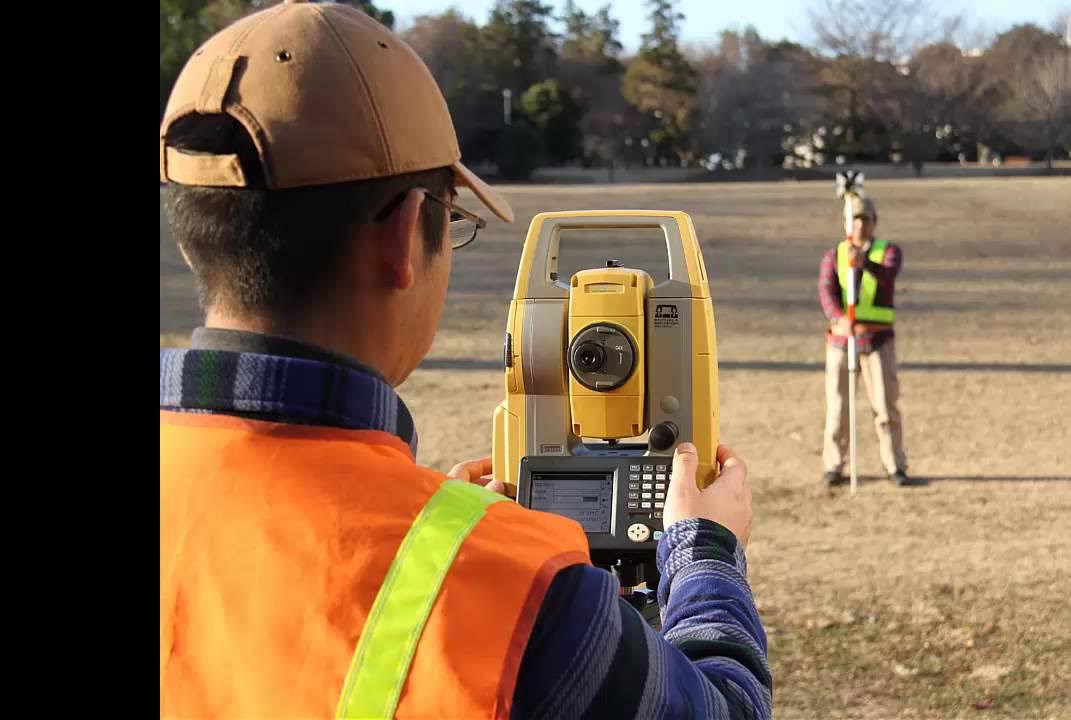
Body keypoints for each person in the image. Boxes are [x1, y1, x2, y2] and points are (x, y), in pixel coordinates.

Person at [159, 2, 771, 718]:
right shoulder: (514, 587)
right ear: (398, 243)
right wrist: (705, 555)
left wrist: (436, 528)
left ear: (192, 241)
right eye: (452, 220)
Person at [817, 172, 925, 488]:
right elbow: (826, 291)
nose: (860, 225)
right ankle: (833, 465)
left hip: (878, 339)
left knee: (885, 407)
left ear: (874, 222)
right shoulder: (833, 256)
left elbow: (888, 277)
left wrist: (863, 263)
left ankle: (895, 465)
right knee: (837, 408)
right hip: (842, 339)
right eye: (855, 219)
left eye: (866, 219)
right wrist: (839, 317)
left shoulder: (888, 252)